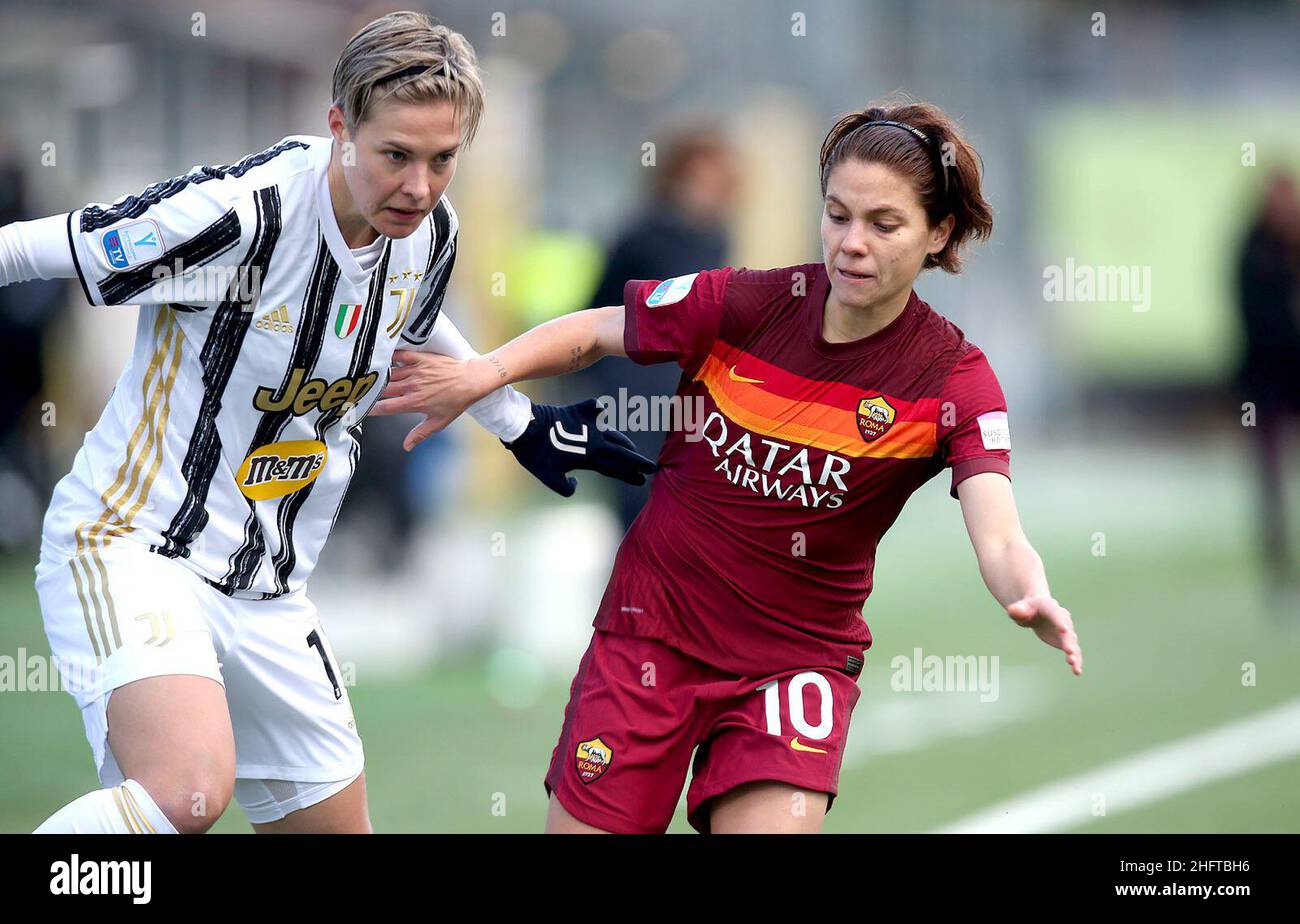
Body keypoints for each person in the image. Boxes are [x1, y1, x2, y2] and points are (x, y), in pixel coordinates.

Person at [0, 11, 652, 834]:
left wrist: (516, 421)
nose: (419, 185)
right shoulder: (242, 215)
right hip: (137, 542)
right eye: (396, 156)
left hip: (270, 588)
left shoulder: (428, 234)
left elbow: (411, 319)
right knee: (185, 792)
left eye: (442, 159)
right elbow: (38, 246)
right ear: (340, 125)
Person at [376, 99, 1084, 834]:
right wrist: (483, 375)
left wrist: (1027, 591)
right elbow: (592, 330)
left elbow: (998, 531)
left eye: (884, 224)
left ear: (938, 234)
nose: (851, 243)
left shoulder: (952, 378)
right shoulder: (751, 302)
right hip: (650, 635)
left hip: (792, 663)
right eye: (837, 215)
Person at [577, 127, 740, 529]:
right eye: (697, 181)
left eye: (715, 183)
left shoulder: (717, 238)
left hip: (689, 395)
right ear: (674, 180)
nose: (706, 193)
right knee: (638, 510)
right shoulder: (641, 235)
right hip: (634, 390)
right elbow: (596, 307)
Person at [1235, 171, 1300, 598]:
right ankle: (1277, 568)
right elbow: (1253, 315)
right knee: (1270, 477)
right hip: (1268, 383)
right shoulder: (1252, 249)